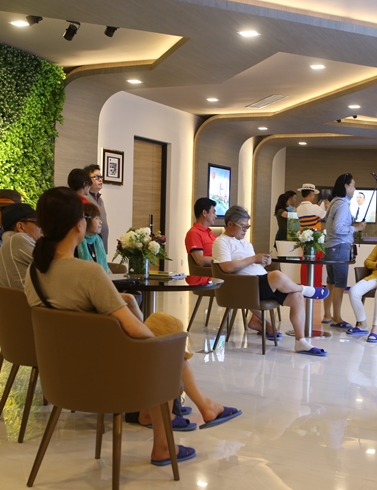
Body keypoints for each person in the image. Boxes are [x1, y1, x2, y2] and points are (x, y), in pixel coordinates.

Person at [25, 187, 241, 465]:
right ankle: (172, 434)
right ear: (79, 225)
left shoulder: (33, 272)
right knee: (167, 345)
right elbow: (133, 329)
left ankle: (195, 408)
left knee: (163, 325)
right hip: (105, 378)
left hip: (61, 374)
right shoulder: (88, 273)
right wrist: (165, 349)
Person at [212, 205, 329, 355]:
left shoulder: (245, 242)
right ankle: (307, 289)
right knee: (276, 275)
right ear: (230, 224)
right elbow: (226, 267)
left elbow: (249, 265)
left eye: (247, 226)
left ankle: (301, 341)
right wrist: (254, 258)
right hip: (245, 286)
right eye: (243, 226)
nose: (246, 229)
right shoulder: (221, 242)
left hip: (259, 282)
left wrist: (261, 262)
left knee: (297, 296)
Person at [323, 173, 366, 331]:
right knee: (339, 284)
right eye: (353, 185)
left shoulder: (334, 202)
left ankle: (327, 315)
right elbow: (338, 228)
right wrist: (356, 228)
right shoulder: (342, 205)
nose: (354, 188)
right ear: (346, 186)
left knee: (331, 282)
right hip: (340, 246)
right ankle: (336, 318)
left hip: (330, 246)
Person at [295, 183, 330, 320]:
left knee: (305, 263)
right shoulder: (314, 207)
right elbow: (326, 216)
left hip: (304, 240)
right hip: (316, 239)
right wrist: (326, 206)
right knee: (317, 264)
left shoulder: (299, 208)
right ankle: (316, 288)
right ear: (310, 194)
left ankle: (304, 287)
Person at [0, 203, 41, 289]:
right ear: (21, 227)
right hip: (30, 297)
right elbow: (53, 267)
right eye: (38, 223)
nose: (42, 229)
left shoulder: (6, 244)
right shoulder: (19, 239)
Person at [184, 197, 217, 285]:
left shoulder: (211, 234)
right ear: (204, 213)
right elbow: (200, 260)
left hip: (215, 275)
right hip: (204, 279)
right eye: (213, 212)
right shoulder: (194, 233)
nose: (216, 216)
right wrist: (223, 259)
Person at [83, 163, 109, 253]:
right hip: (90, 245)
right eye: (96, 177)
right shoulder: (85, 198)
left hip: (101, 244)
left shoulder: (100, 200)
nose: (100, 180)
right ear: (87, 180)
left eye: (101, 177)